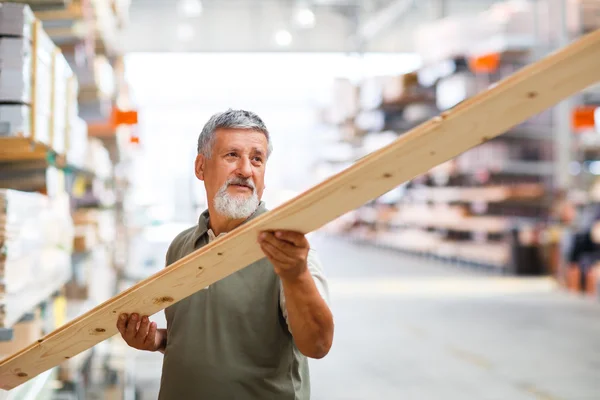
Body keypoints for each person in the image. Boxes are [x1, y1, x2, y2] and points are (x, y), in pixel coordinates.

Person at [115, 109, 334, 399]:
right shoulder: (181, 247)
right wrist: (156, 339)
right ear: (200, 167)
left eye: (257, 159)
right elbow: (209, 338)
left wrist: (296, 275)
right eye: (232, 155)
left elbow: (317, 344)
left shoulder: (286, 250)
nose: (246, 170)